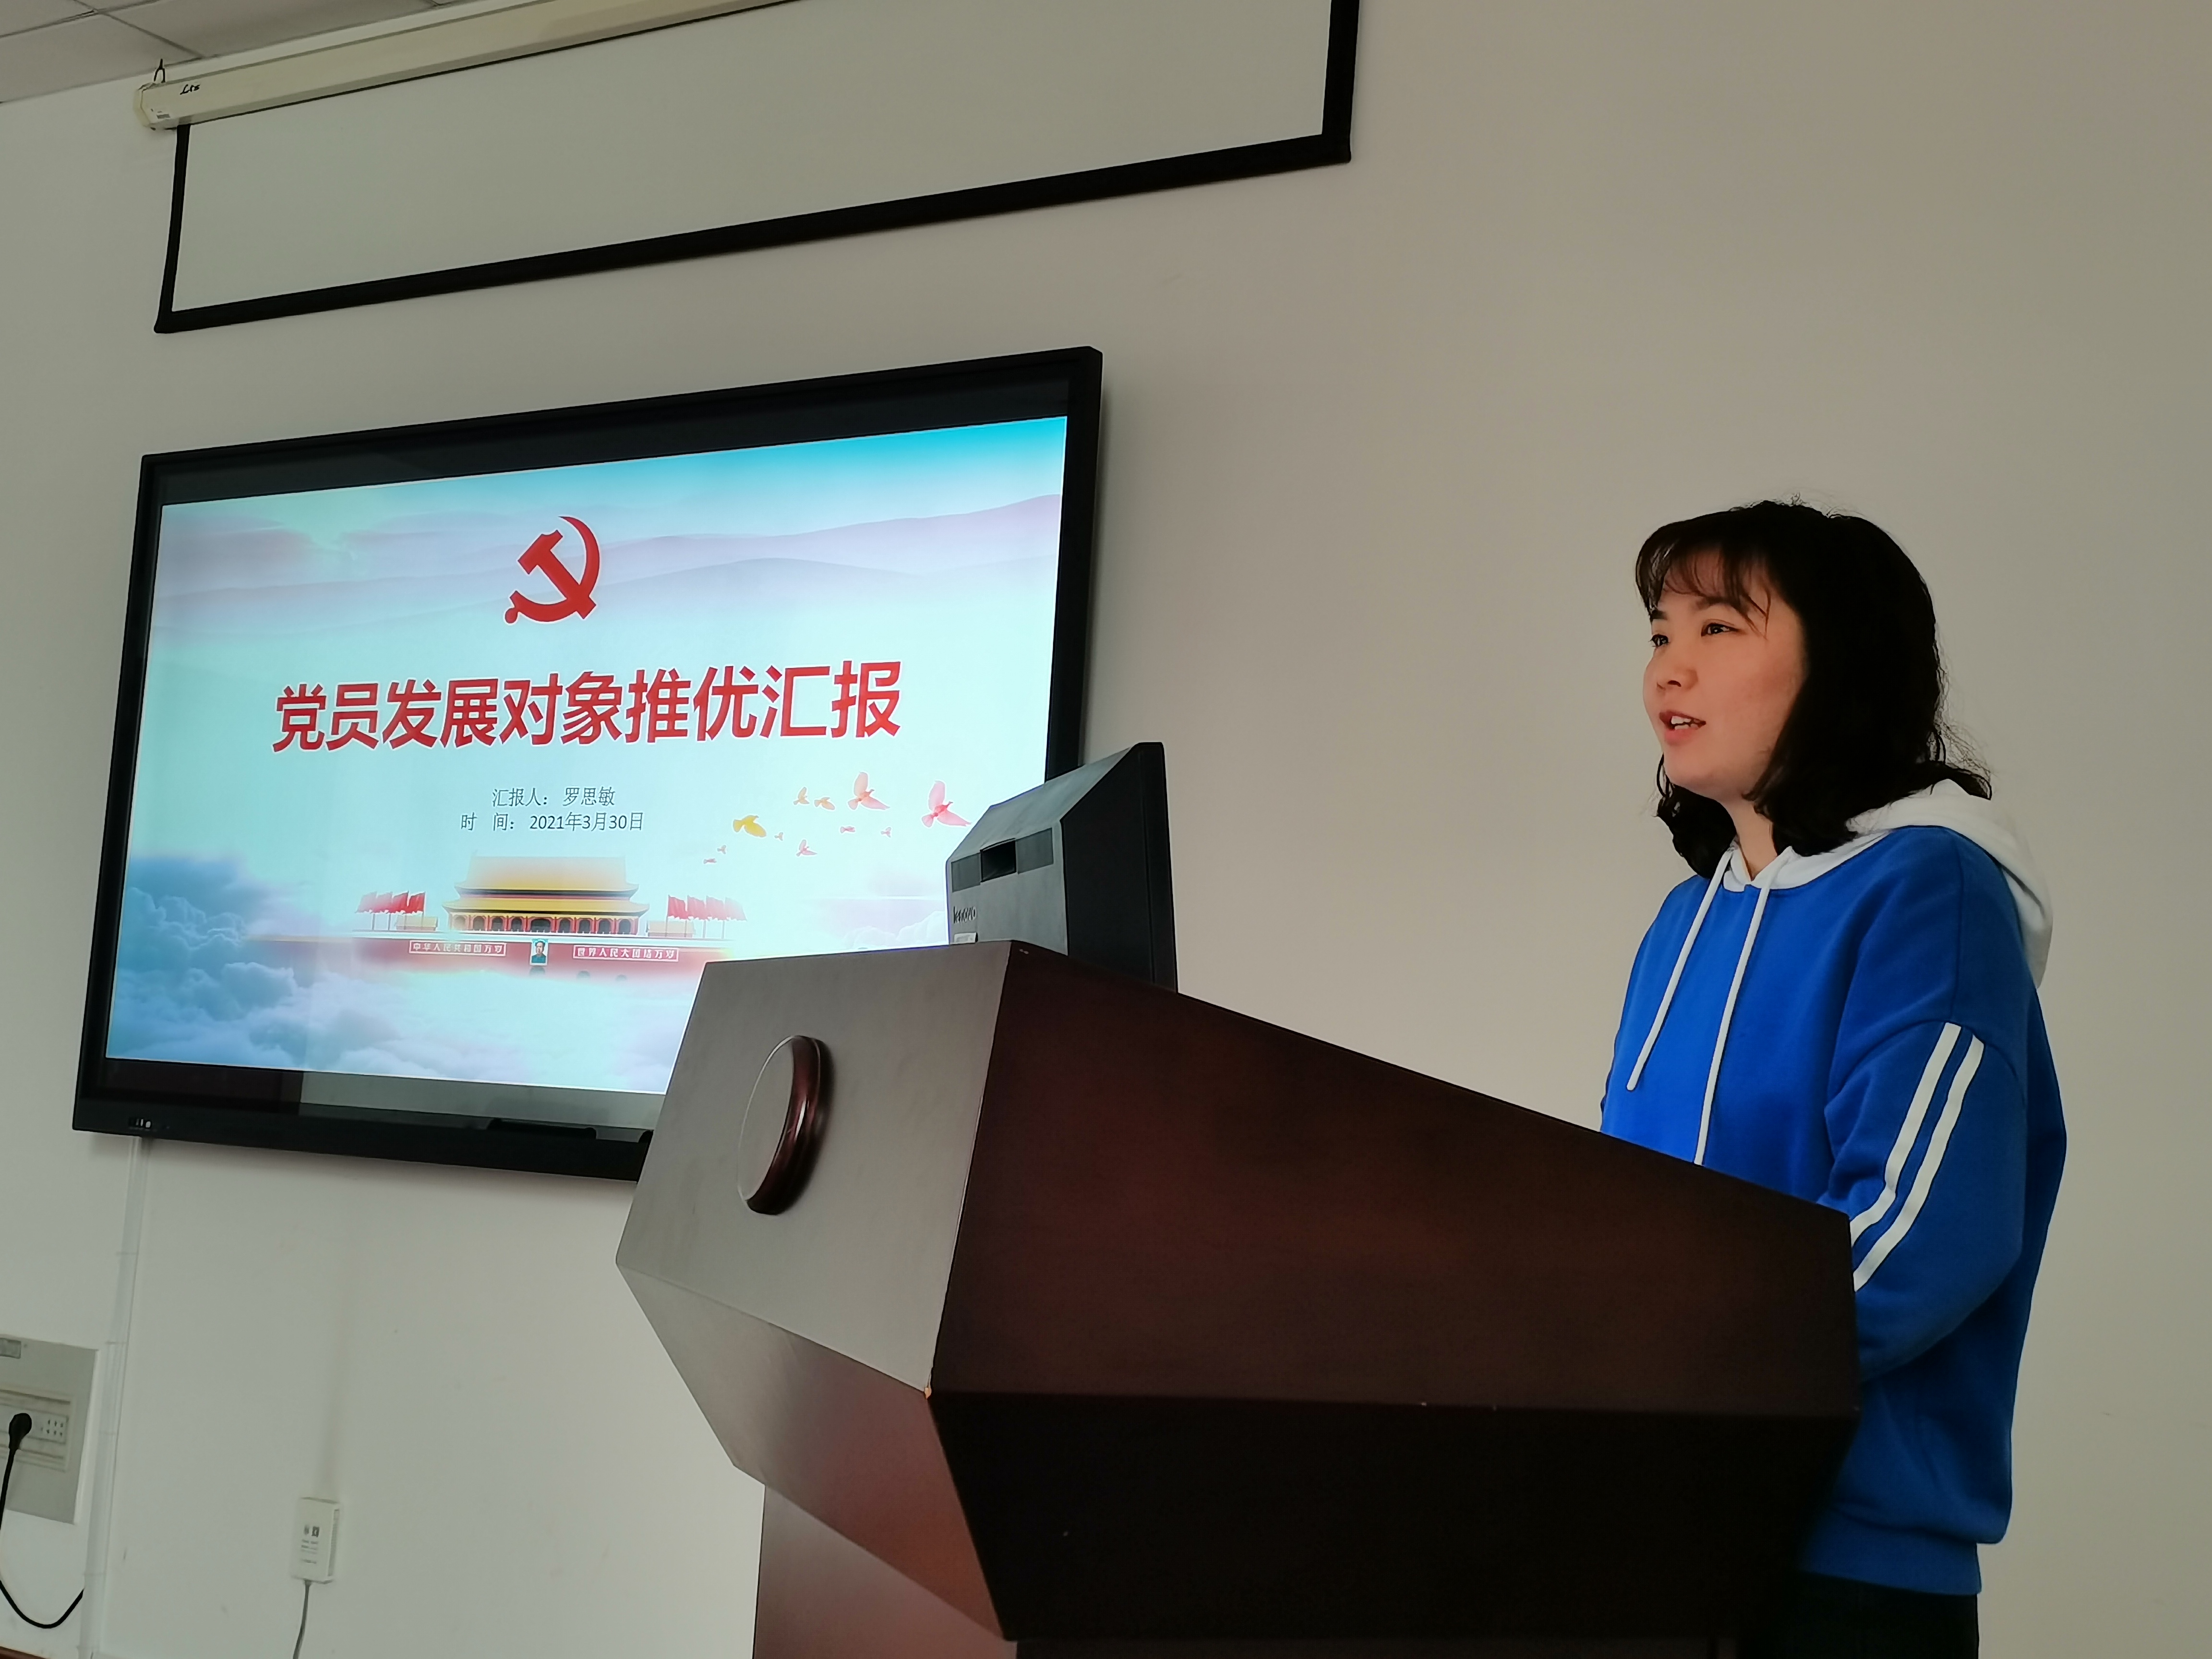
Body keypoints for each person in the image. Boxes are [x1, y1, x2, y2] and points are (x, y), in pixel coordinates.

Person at [1599, 501, 2065, 1658]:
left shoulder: (1930, 890)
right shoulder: (1682, 925)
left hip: (1845, 1575)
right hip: (1650, 1531)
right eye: (1660, 633)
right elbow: (1617, 1211)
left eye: (1718, 628)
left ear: (1839, 661)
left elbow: (1921, 1234)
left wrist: (1666, 1372)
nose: (1670, 668)